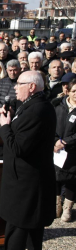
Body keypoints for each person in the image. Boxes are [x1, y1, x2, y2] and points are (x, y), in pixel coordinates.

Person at [0, 71, 56, 250]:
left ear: (31, 87)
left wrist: (5, 126)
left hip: (26, 187)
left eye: (19, 84)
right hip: (26, 183)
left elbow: (18, 148)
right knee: (32, 231)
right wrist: (14, 117)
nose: (15, 87)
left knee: (18, 231)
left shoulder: (38, 110)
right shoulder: (31, 105)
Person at [53, 78, 76, 222]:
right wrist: (55, 141)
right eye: (74, 91)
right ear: (68, 91)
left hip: (73, 149)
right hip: (56, 149)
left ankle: (68, 208)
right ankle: (57, 204)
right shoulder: (58, 106)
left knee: (72, 179)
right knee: (55, 176)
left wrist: (67, 141)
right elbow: (50, 125)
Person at [0, 59, 21, 125]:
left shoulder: (22, 83)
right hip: (0, 117)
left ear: (19, 70)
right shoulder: (2, 81)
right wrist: (0, 107)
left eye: (15, 70)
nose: (12, 73)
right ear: (7, 70)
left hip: (15, 119)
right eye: (10, 70)